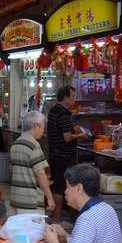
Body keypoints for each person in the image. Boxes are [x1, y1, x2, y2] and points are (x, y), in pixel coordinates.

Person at [8, 111, 56, 243]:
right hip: (30, 200)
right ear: (36, 126)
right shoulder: (34, 146)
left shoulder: (15, 144)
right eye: (42, 127)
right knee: (32, 238)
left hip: (15, 198)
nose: (43, 131)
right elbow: (41, 175)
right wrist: (49, 197)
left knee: (18, 236)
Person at [47, 86, 87, 223]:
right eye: (73, 96)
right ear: (65, 97)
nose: (74, 99)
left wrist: (72, 129)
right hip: (62, 156)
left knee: (55, 184)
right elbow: (67, 138)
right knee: (59, 186)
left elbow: (62, 131)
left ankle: (54, 214)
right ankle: (57, 216)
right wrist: (81, 135)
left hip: (54, 154)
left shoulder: (54, 110)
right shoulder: (63, 114)